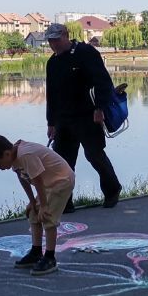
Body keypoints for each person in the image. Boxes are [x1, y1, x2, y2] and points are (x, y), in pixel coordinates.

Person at [45, 23, 122, 209]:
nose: (53, 44)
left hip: (88, 116)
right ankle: (65, 202)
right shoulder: (53, 62)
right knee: (62, 163)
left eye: (56, 39)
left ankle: (112, 190)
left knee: (95, 155)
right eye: (50, 41)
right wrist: (51, 122)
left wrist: (100, 108)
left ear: (66, 35)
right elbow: (51, 94)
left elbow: (103, 82)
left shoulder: (86, 52)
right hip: (63, 119)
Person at [0, 134, 75, 275]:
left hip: (60, 181)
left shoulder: (26, 155)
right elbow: (23, 178)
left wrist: (43, 206)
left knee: (47, 217)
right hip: (47, 183)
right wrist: (32, 202)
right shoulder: (14, 157)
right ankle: (36, 252)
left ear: (6, 154)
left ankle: (50, 257)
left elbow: (36, 179)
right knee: (33, 213)